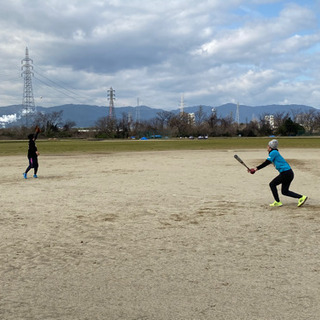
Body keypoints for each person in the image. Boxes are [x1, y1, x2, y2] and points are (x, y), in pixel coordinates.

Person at [248, 139, 307, 207]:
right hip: (289, 173)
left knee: (272, 184)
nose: (267, 147)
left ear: (270, 147)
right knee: (284, 192)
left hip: (286, 173)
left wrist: (256, 169)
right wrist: (254, 169)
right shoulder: (274, 152)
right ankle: (301, 197)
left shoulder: (273, 152)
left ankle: (277, 202)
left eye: (268, 146)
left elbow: (267, 162)